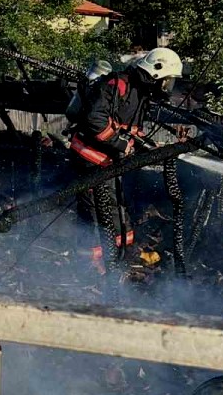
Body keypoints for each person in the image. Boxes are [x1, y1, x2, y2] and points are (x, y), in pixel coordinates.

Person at [68, 47, 183, 267]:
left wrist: (148, 147)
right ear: (156, 72)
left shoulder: (139, 94)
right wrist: (121, 144)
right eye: (168, 81)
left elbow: (131, 131)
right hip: (89, 158)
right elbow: (95, 121)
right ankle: (90, 267)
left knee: (116, 210)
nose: (168, 87)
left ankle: (121, 258)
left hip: (108, 163)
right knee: (94, 216)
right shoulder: (117, 84)